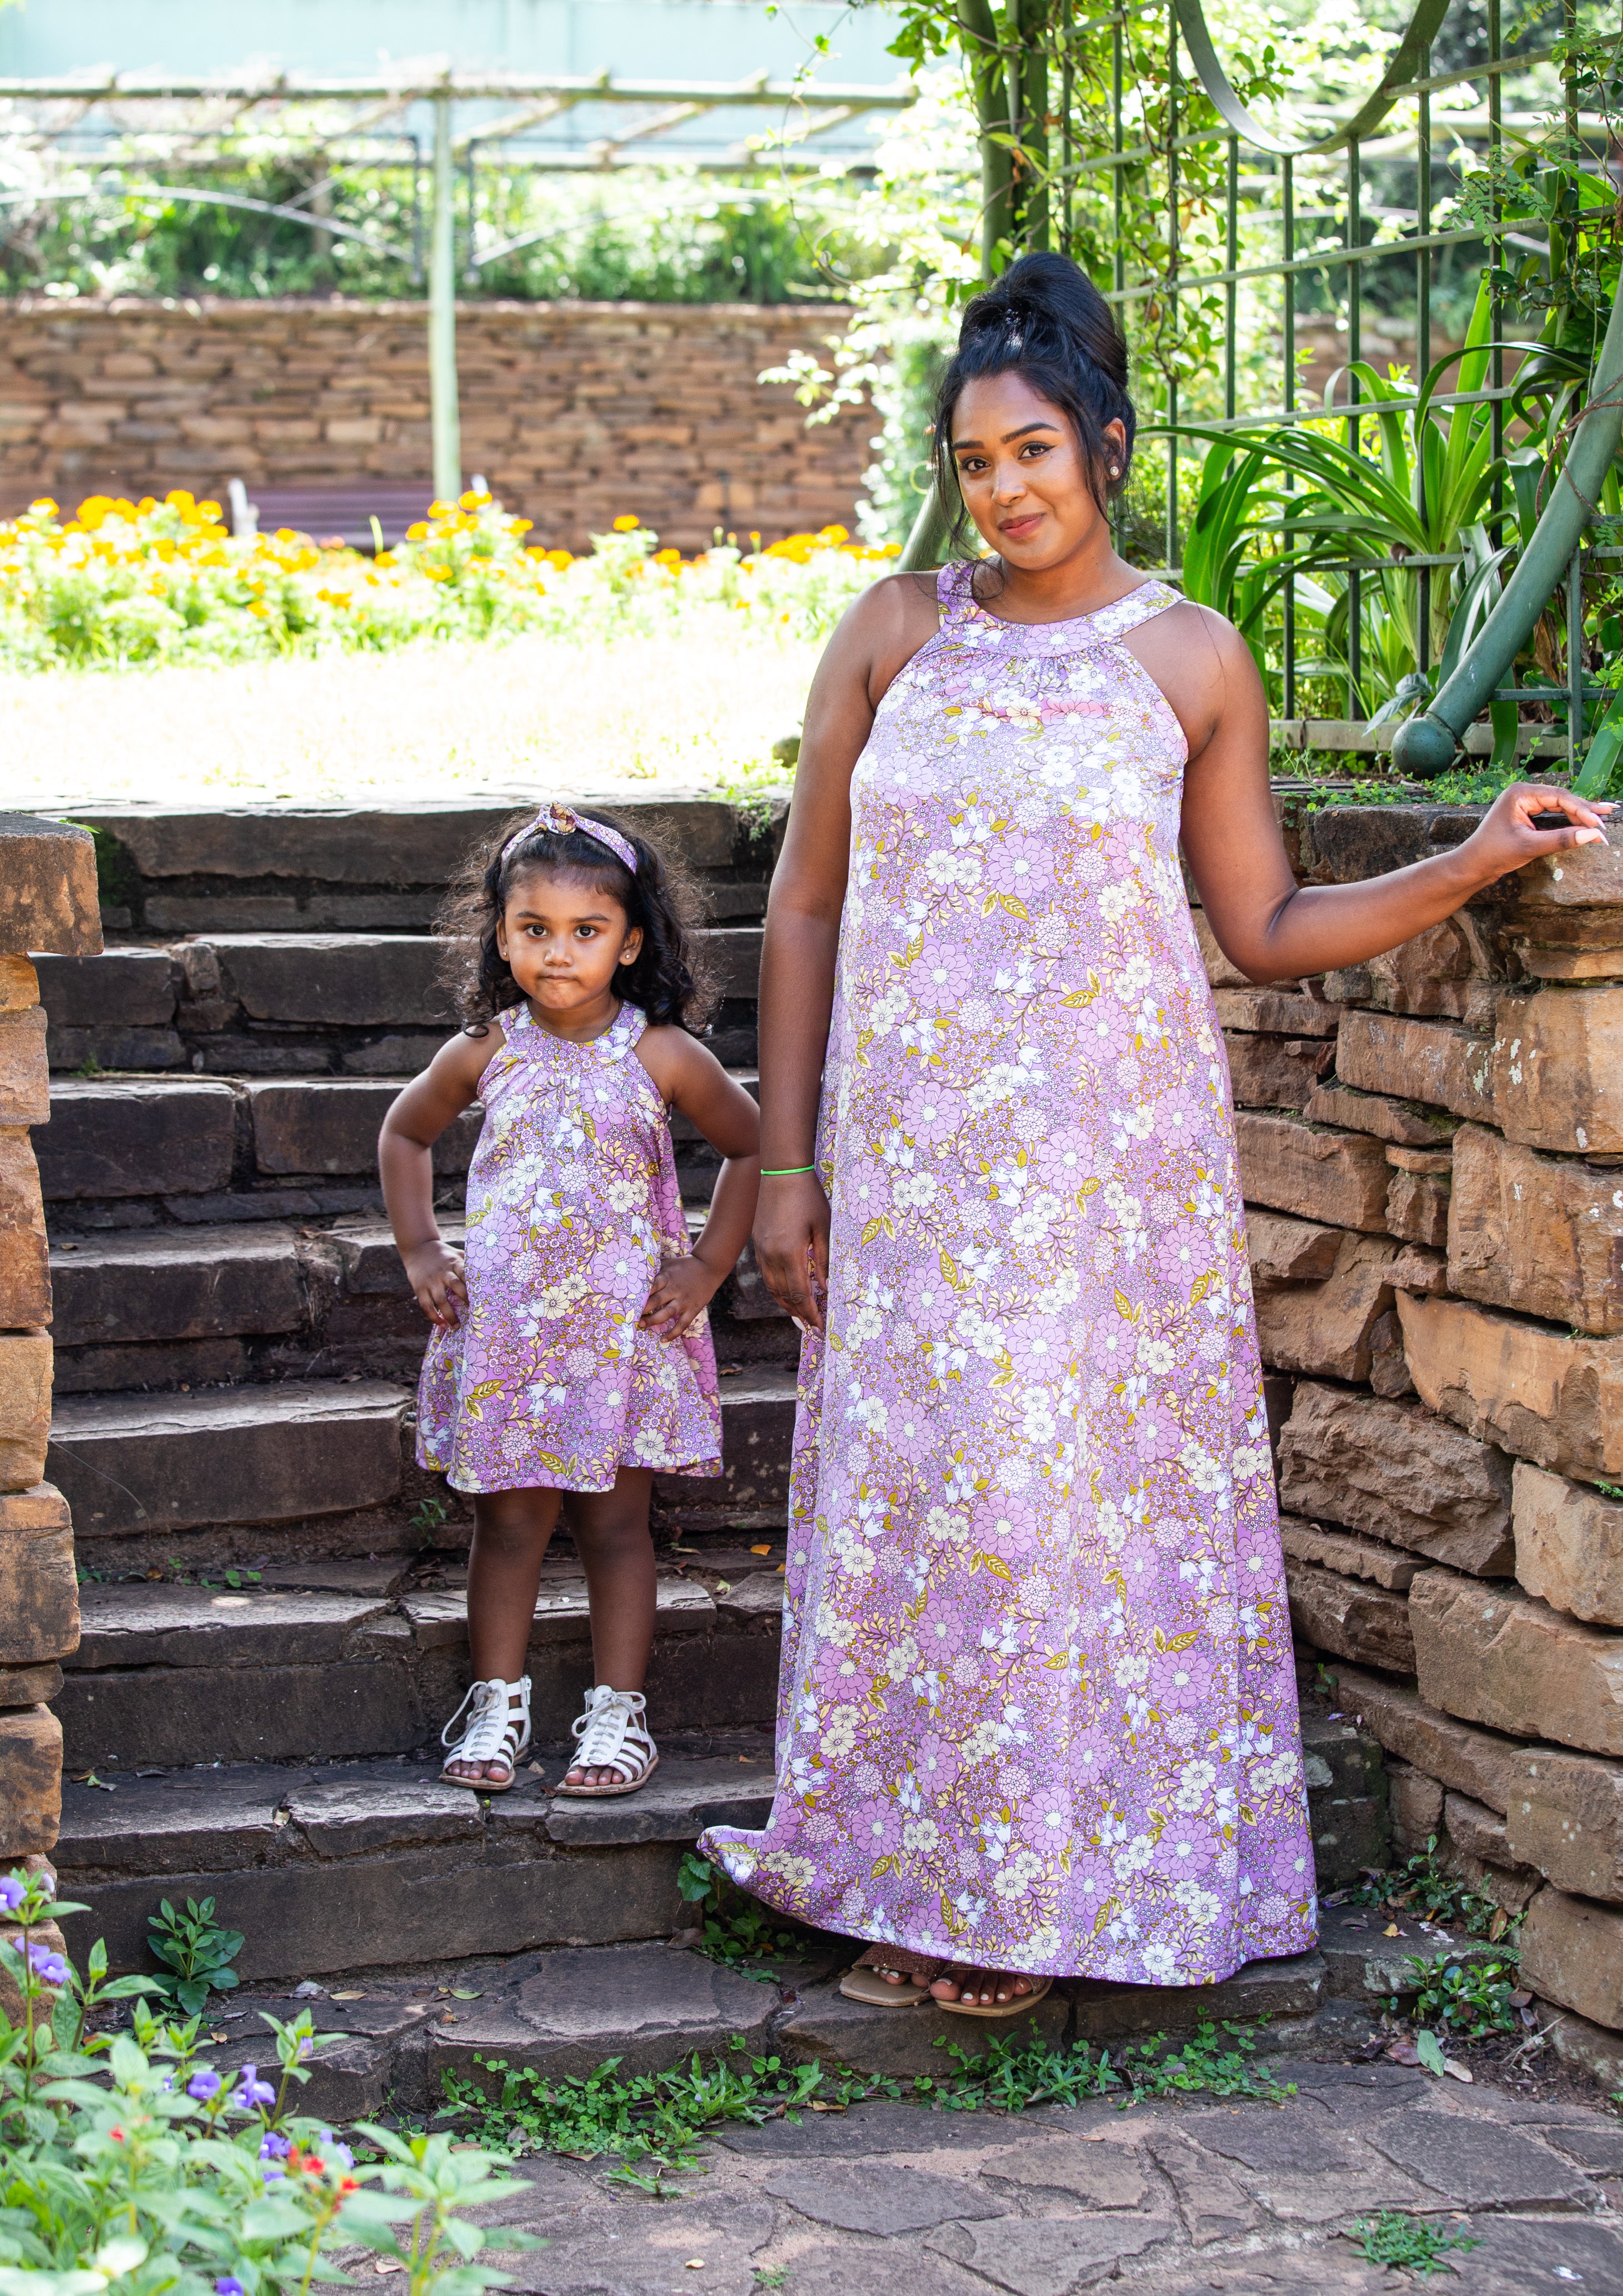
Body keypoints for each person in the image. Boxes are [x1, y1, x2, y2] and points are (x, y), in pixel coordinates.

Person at [698, 251, 1611, 2014]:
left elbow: (1261, 924)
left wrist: (1473, 856)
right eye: (974, 462)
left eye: (1033, 450)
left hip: (1104, 1180)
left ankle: (1046, 1895)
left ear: (1106, 446)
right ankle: (919, 1873)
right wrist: (787, 1166)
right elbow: (804, 905)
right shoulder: (892, 633)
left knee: (1057, 1515)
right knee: (919, 1510)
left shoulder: (1188, 657)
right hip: (908, 1169)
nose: (1004, 490)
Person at [380, 803, 760, 1797]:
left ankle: (617, 1715)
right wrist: (421, 1246)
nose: (558, 952)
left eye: (586, 930)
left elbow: (752, 1144)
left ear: (628, 943)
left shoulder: (659, 1053)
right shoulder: (486, 1049)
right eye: (534, 929)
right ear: (502, 937)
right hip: (511, 1339)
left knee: (615, 1526)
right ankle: (496, 1702)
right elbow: (404, 1133)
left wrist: (708, 1265)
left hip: (617, 1341)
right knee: (507, 1526)